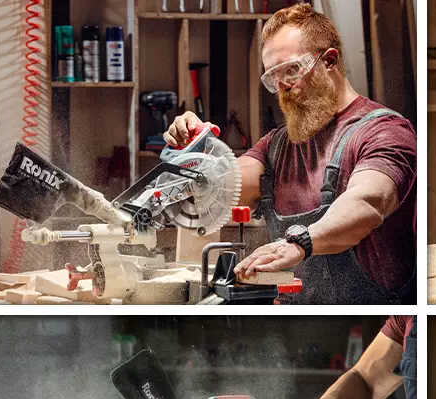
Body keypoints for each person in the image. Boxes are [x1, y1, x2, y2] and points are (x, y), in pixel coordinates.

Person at [165, 4, 416, 304]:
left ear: (330, 60)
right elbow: (226, 184)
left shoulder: (384, 131)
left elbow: (367, 203)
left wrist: (302, 242)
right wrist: (198, 156)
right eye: (273, 77)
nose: (282, 86)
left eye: (291, 70)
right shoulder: (276, 146)